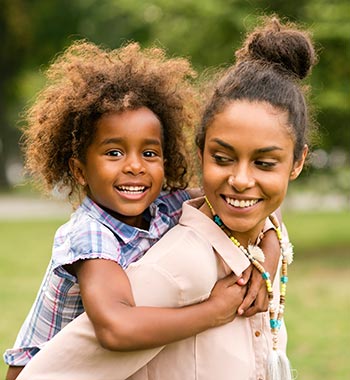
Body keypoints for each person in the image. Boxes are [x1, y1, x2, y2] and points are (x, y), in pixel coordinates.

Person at [15, 15, 317, 380]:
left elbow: (250, 201)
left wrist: (267, 255)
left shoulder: (162, 205)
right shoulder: (90, 234)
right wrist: (213, 310)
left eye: (149, 153)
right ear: (79, 171)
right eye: (113, 153)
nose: (134, 167)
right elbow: (115, 328)